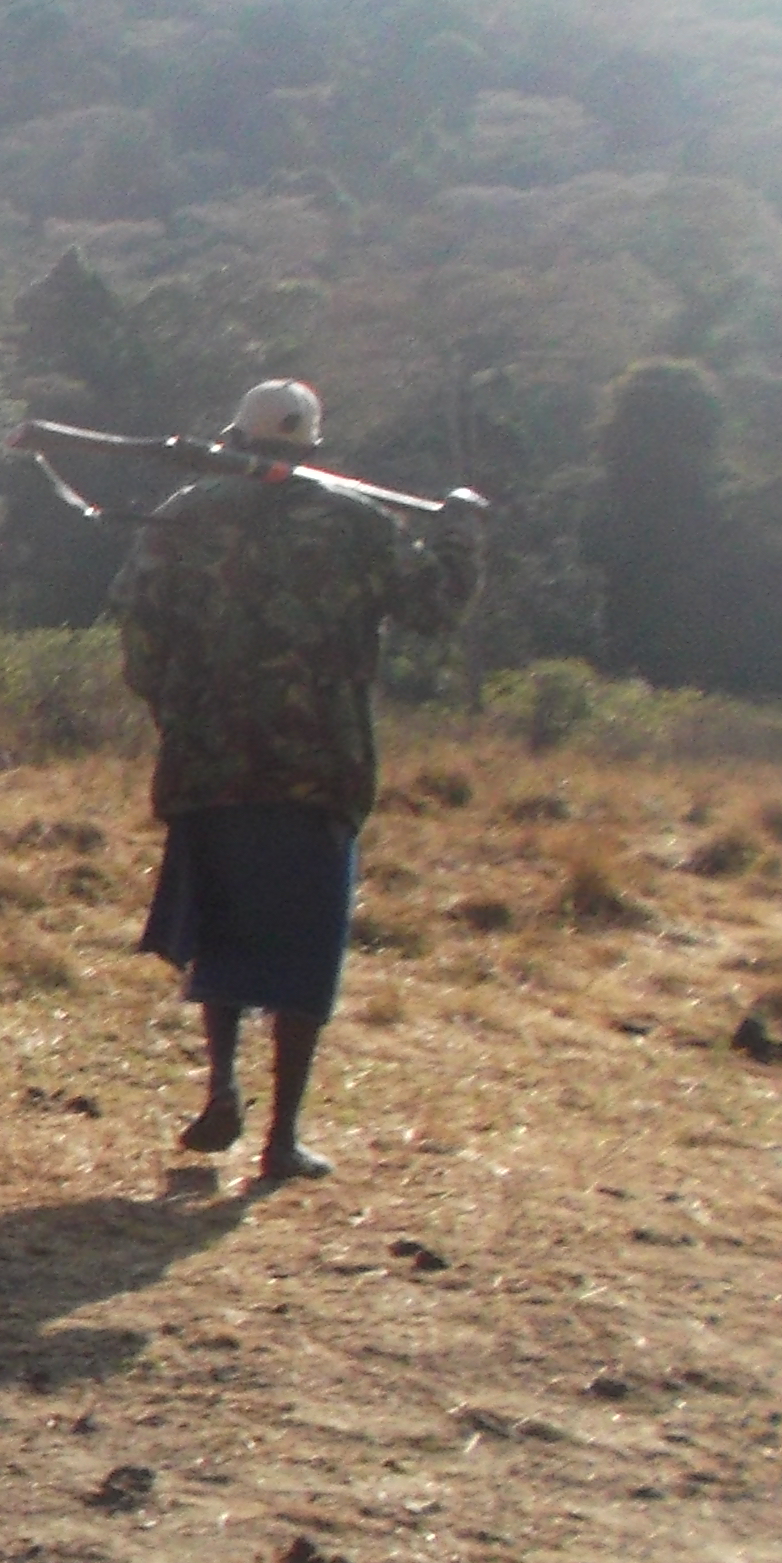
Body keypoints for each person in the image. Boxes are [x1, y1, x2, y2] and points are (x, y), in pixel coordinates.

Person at [113, 379, 480, 1185]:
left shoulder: (185, 514)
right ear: (309, 448)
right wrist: (460, 530)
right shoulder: (356, 524)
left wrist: (176, 713)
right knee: (304, 951)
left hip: (210, 764)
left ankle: (221, 1087)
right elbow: (436, 607)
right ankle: (282, 1137)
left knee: (224, 931)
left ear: (236, 437)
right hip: (320, 769)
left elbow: (139, 632)